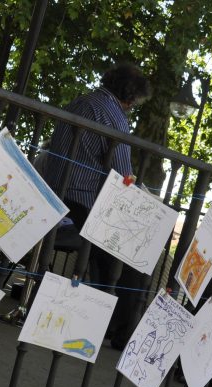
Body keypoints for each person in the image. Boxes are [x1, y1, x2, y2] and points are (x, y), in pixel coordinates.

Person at [42, 64, 152, 344]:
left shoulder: (80, 101)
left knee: (111, 253)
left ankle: (103, 319)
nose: (132, 108)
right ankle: (121, 332)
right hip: (81, 204)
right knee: (136, 254)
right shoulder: (114, 115)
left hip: (54, 199)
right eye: (134, 103)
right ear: (130, 97)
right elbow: (123, 175)